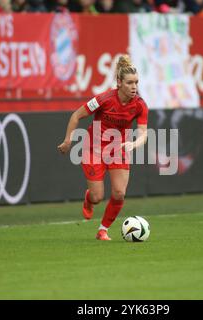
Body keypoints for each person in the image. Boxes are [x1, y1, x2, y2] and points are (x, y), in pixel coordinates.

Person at [57, 55, 148, 241]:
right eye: (130, 83)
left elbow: (143, 133)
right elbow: (76, 116)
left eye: (136, 82)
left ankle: (102, 230)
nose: (134, 87)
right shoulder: (104, 99)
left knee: (119, 193)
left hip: (118, 149)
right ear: (119, 82)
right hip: (94, 150)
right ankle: (89, 198)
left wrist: (133, 143)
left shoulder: (139, 105)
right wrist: (68, 141)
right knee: (98, 197)